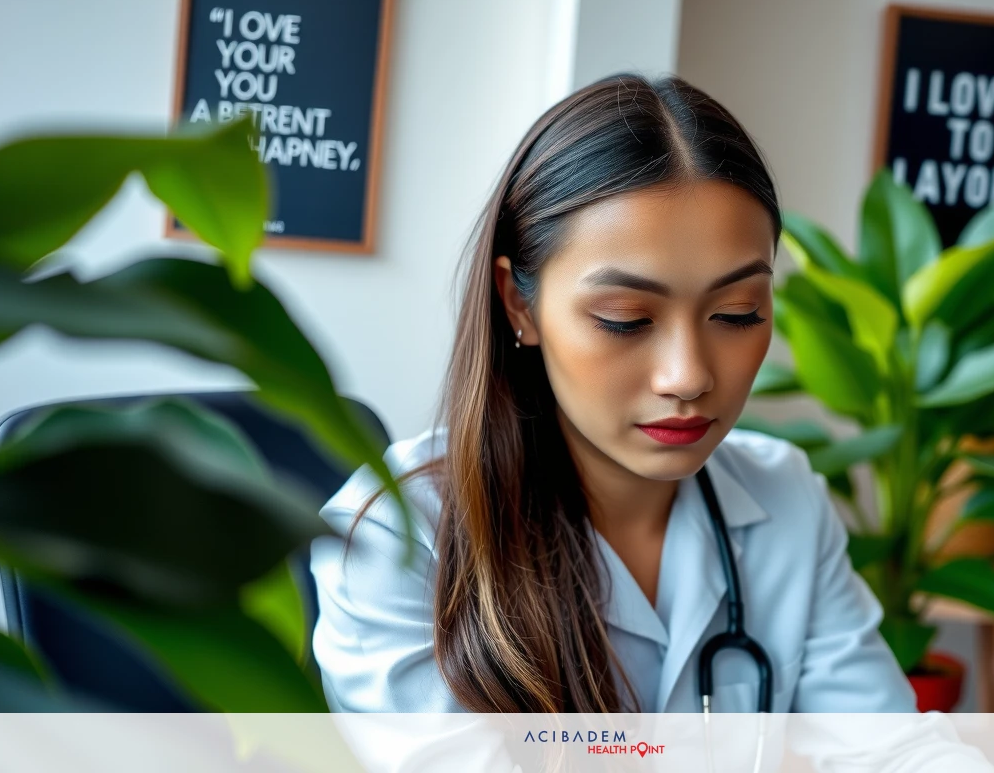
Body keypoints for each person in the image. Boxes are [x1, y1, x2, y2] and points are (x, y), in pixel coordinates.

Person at [308, 72, 942, 720]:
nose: (688, 375)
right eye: (624, 319)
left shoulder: (788, 500)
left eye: (737, 312)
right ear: (518, 303)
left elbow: (889, 746)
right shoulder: (393, 538)